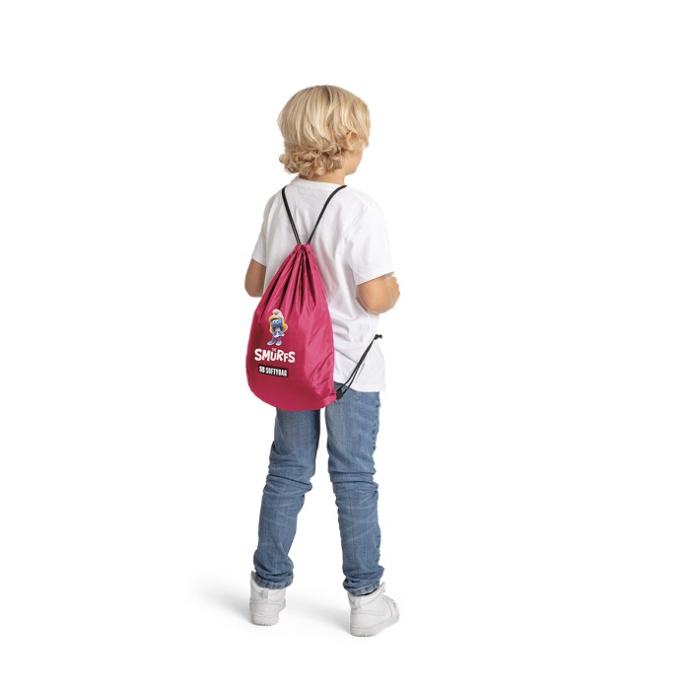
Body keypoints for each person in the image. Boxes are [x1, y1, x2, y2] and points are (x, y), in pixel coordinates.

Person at [244, 85, 401, 636]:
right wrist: (393, 286)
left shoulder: (280, 203)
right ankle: (366, 600)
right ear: (349, 139)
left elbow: (254, 284)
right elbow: (374, 297)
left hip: (293, 366)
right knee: (354, 476)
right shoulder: (359, 209)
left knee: (287, 471)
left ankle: (266, 593)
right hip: (350, 367)